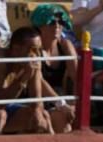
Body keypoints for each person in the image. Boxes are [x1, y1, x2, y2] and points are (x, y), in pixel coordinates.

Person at [0, 26, 58, 135]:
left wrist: (38, 112)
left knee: (42, 115)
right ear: (16, 49)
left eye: (39, 49)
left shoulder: (33, 60)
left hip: (3, 106)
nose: (38, 54)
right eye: (33, 49)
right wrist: (23, 79)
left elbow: (37, 99)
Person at [32, 4, 77, 133]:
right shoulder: (33, 48)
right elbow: (39, 81)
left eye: (60, 22)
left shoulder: (66, 45)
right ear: (40, 26)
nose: (57, 26)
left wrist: (75, 104)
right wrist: (62, 104)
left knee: (74, 115)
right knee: (63, 121)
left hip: (58, 97)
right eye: (51, 22)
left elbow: (77, 78)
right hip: (37, 98)